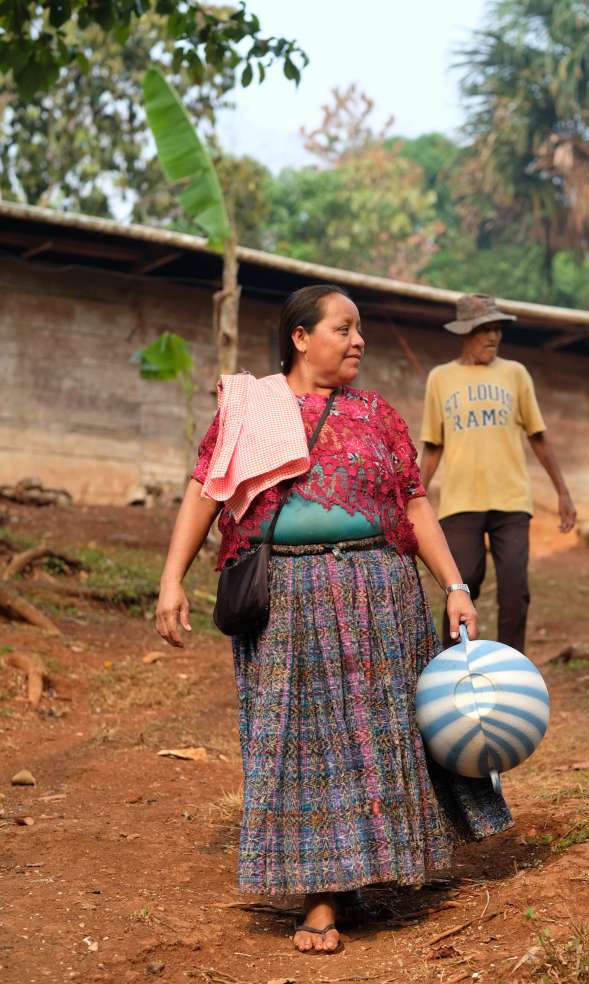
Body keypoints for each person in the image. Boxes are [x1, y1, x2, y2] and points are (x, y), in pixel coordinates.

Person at [156, 284, 512, 955]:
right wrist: (172, 577)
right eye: (344, 328)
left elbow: (413, 505)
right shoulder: (254, 408)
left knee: (382, 734)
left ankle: (385, 865)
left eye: (359, 330)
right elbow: (206, 488)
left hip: (382, 589)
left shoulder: (377, 413)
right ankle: (322, 896)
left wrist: (456, 586)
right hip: (290, 596)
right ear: (300, 337)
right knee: (305, 745)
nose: (359, 341)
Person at [420, 292, 577, 654]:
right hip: (461, 501)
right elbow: (432, 445)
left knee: (515, 591)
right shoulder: (440, 378)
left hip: (511, 500)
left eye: (497, 329)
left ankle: (512, 667)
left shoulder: (515, 374)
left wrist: (563, 491)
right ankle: (454, 664)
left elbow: (538, 436)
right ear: (465, 333)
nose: (493, 337)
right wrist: (416, 497)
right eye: (483, 329)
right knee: (462, 583)